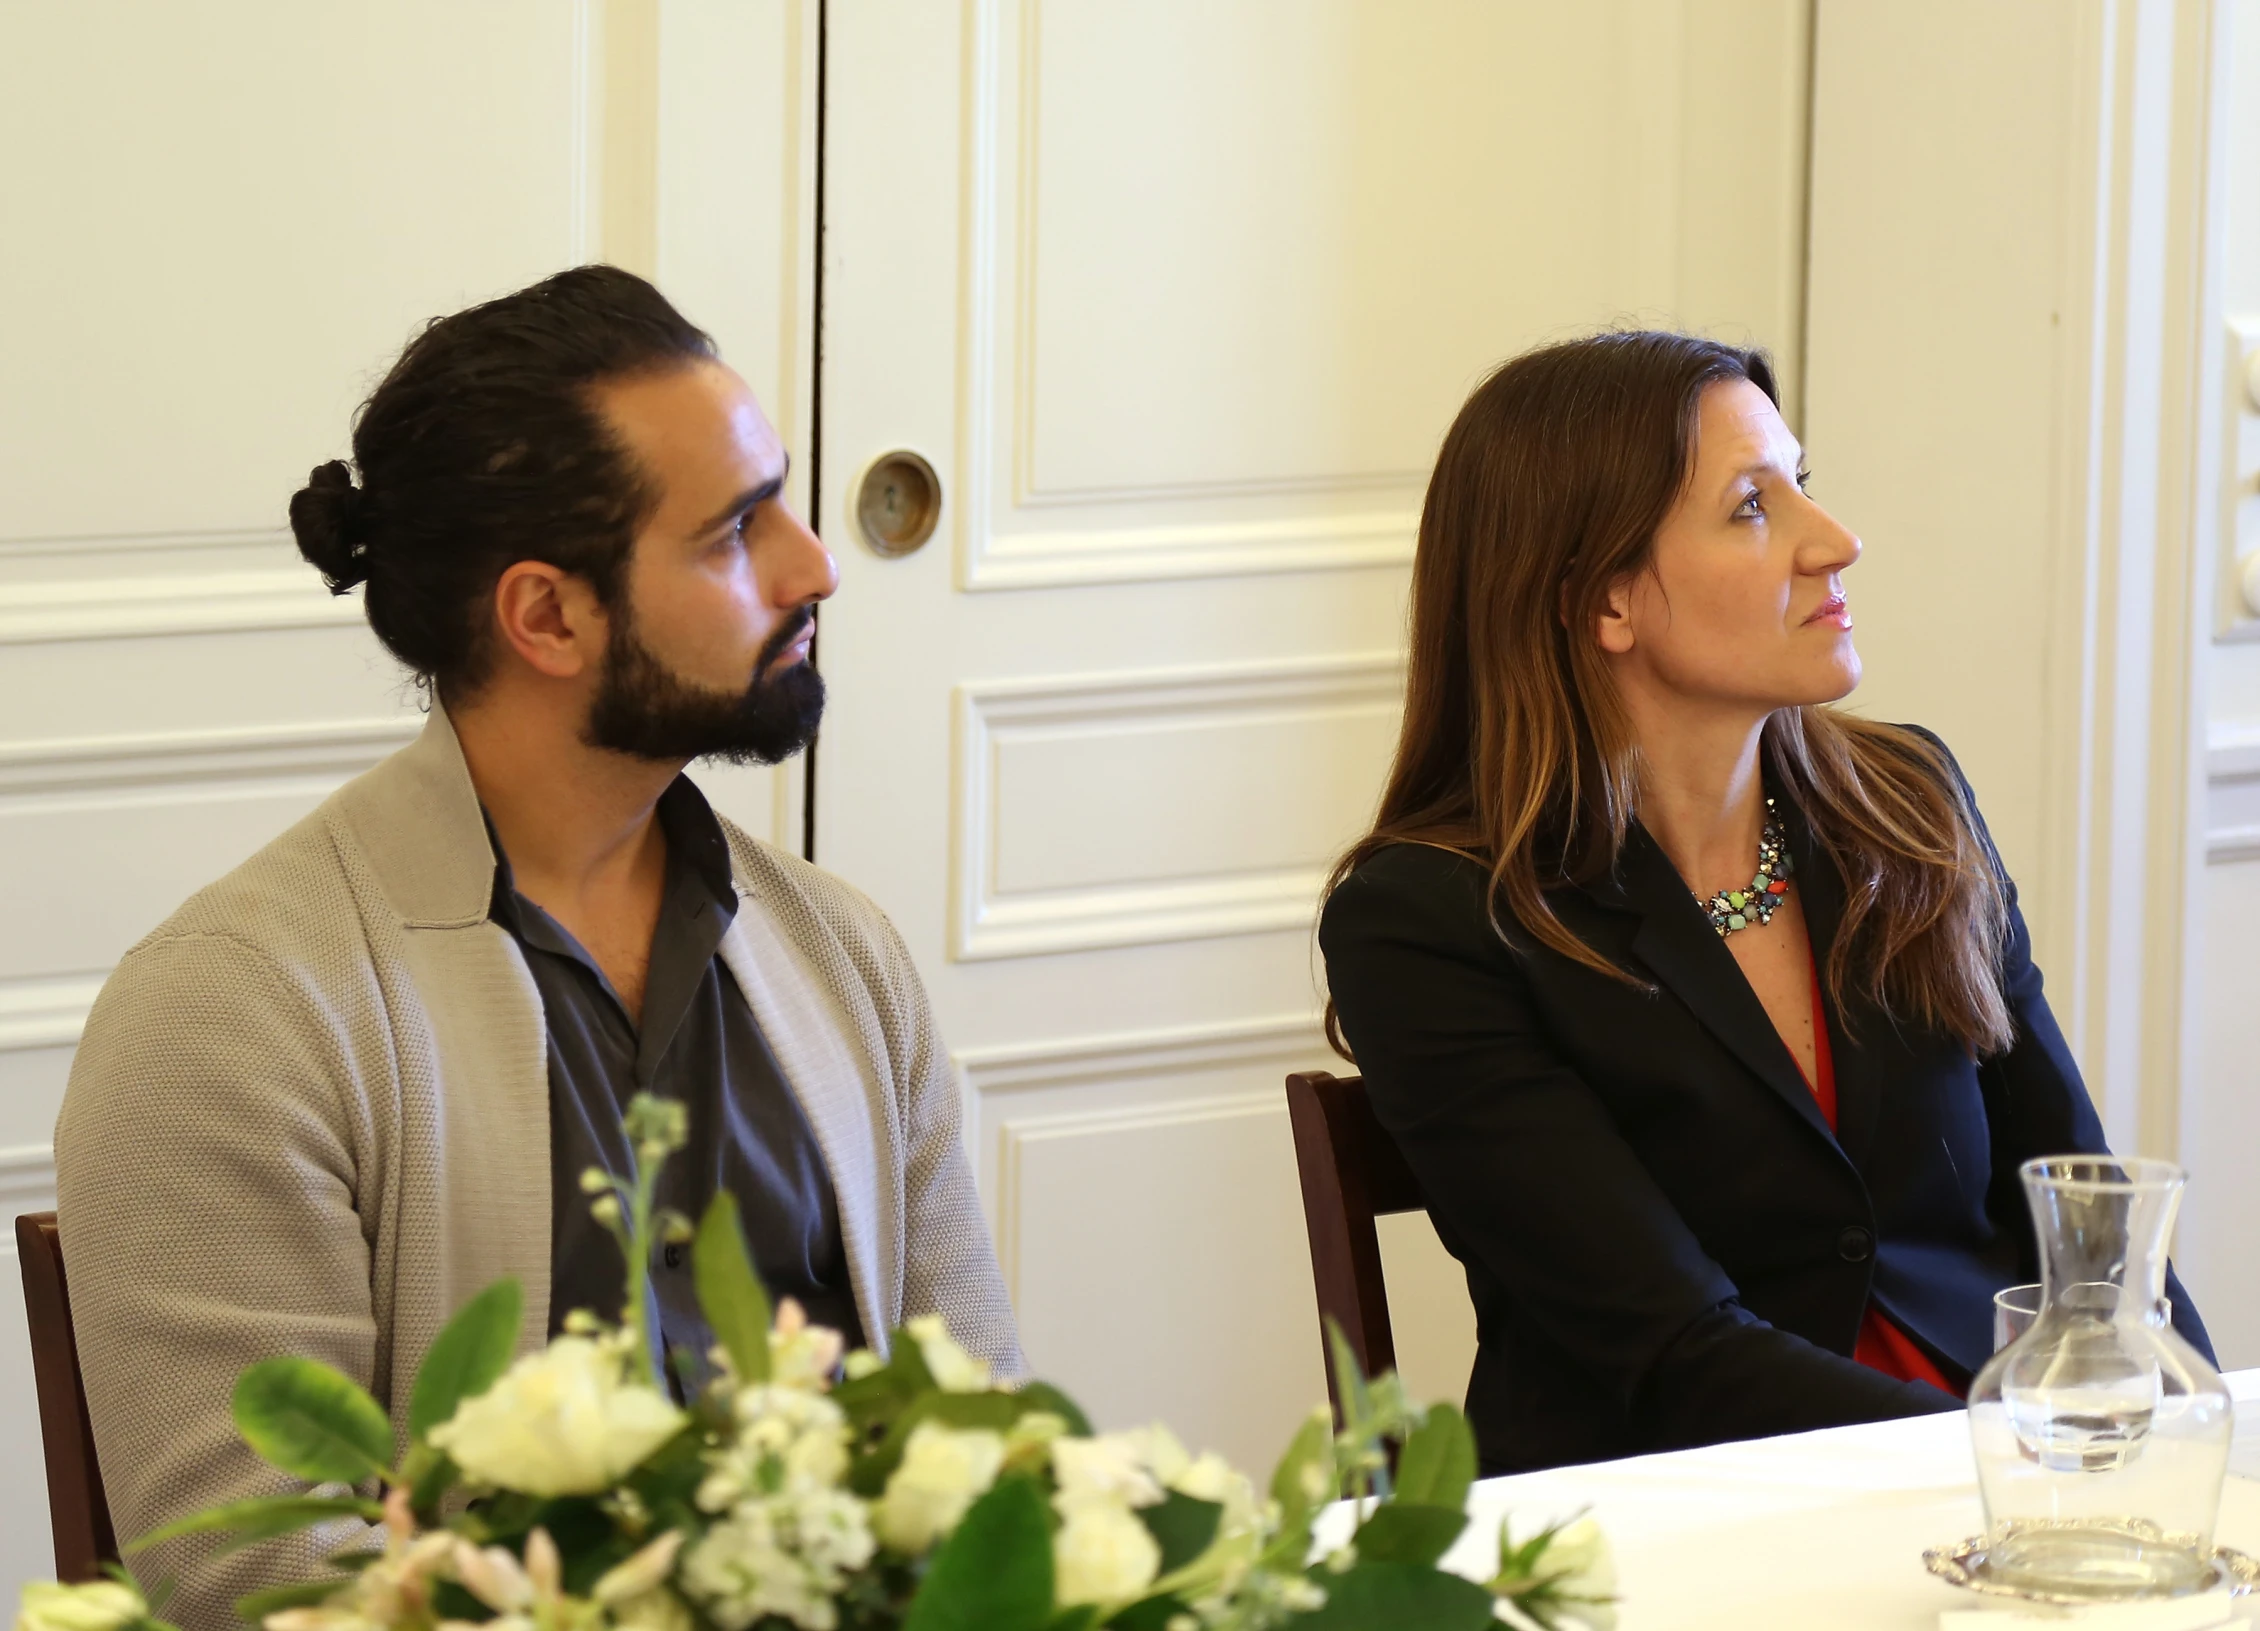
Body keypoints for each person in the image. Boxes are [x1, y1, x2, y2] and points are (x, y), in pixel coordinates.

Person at [55, 267, 1023, 1625]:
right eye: (736, 532)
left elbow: (990, 1444)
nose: (816, 565)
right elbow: (261, 1581)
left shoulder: (840, 951)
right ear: (548, 616)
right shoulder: (232, 1010)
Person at [1317, 331, 2212, 1476]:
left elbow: (2090, 1231)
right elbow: (1670, 1351)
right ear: (1602, 601)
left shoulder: (1908, 802)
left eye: (1803, 480)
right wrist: (2004, 1464)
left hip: (1999, 1475)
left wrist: (2198, 1462)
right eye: (1750, 505)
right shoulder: (1430, 919)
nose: (1832, 539)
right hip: (1679, 1509)